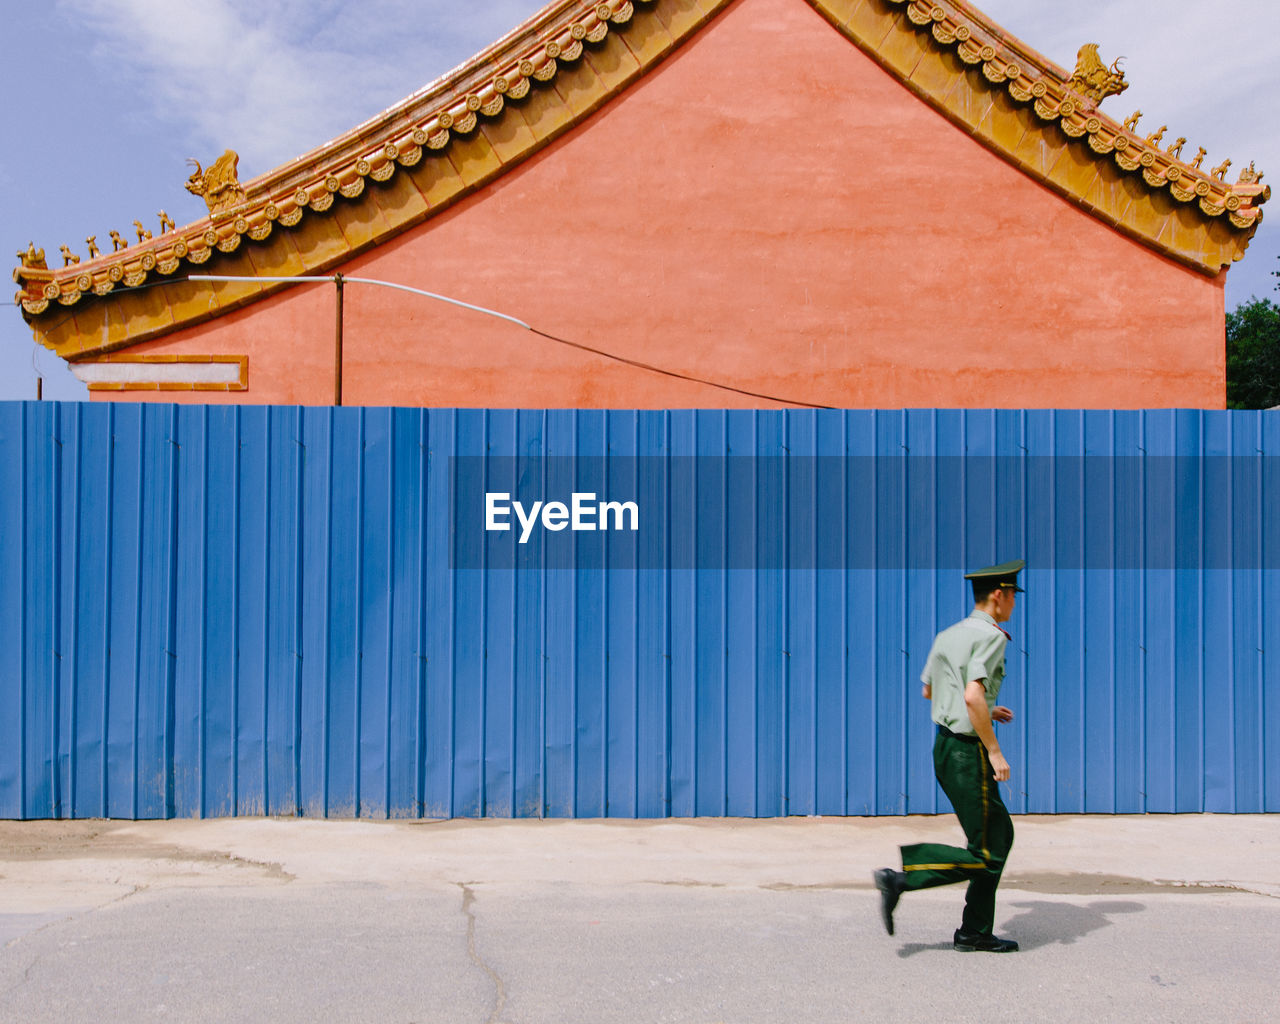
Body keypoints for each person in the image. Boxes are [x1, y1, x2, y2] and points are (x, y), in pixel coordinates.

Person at [873, 559, 1025, 953]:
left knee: (997, 836)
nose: (1013, 604)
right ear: (999, 595)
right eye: (1012, 596)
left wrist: (986, 710)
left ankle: (974, 930)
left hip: (944, 746)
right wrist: (994, 750)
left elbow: (930, 691)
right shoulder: (991, 637)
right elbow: (972, 694)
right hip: (967, 753)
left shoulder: (949, 634)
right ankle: (903, 877)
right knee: (989, 849)